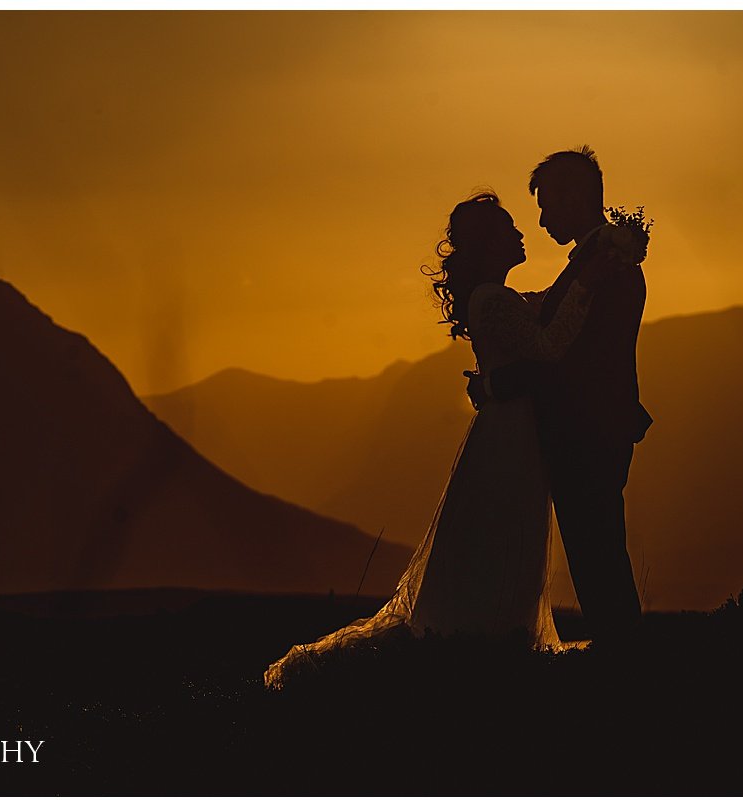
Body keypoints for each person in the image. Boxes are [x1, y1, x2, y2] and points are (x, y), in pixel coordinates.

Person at [264, 190, 619, 690]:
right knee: (504, 536)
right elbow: (548, 345)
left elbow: (536, 314)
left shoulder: (497, 297)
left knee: (503, 537)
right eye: (509, 229)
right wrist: (587, 285)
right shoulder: (492, 300)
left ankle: (489, 642)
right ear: (489, 243)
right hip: (509, 437)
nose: (521, 235)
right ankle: (488, 645)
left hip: (510, 429)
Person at [468, 147, 651, 646]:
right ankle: (626, 660)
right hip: (592, 430)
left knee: (599, 560)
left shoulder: (604, 267)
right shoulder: (596, 263)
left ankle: (627, 666)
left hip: (588, 433)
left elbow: (566, 362)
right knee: (599, 557)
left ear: (576, 197)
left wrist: (492, 385)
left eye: (547, 205)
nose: (543, 219)